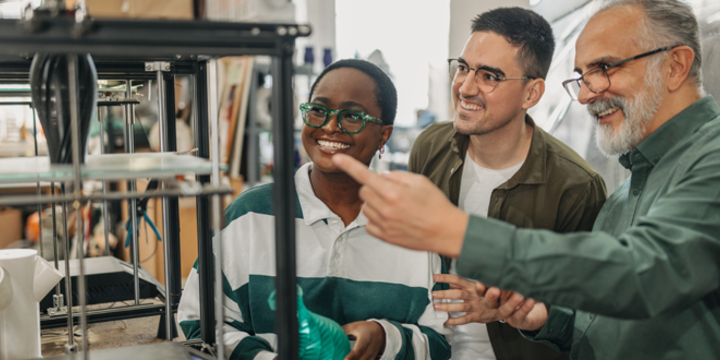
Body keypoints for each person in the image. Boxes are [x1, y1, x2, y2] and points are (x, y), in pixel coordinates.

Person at [332, 0, 720, 359]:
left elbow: (644, 273)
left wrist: (458, 231)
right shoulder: (626, 193)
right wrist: (544, 315)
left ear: (675, 66)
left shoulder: (708, 157)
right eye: (581, 76)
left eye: (602, 69)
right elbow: (602, 322)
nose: (584, 95)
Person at [177, 59, 452, 360]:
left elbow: (443, 340)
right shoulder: (249, 216)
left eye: (352, 116)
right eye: (319, 110)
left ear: (384, 135)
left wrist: (385, 339)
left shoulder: (416, 225)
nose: (330, 126)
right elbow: (200, 323)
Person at [409, 7, 606, 360]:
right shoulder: (431, 147)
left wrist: (506, 307)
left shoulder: (576, 187)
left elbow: (586, 319)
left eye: (489, 76)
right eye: (464, 68)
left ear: (532, 94)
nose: (465, 87)